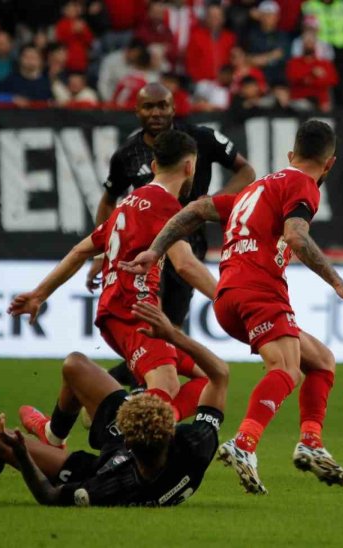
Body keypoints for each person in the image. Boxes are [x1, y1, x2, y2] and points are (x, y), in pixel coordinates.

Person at [121, 120, 343, 494]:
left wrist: (155, 250)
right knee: (287, 369)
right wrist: (340, 284)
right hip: (259, 290)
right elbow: (295, 236)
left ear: (291, 155)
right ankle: (244, 444)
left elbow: (193, 211)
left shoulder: (257, 187)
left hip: (227, 297)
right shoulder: (302, 184)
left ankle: (311, 443)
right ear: (330, 164)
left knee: (320, 361)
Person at [0, 302, 229, 507]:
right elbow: (219, 375)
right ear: (170, 430)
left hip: (97, 464)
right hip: (134, 449)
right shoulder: (195, 444)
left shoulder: (109, 487)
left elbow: (48, 496)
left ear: (127, 436)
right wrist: (172, 334)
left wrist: (21, 454)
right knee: (75, 366)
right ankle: (53, 435)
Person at [9, 130, 216, 424]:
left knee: (210, 376)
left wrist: (40, 294)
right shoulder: (166, 206)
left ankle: (55, 433)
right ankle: (117, 422)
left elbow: (81, 250)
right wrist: (226, 297)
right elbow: (185, 265)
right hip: (134, 312)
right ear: (189, 167)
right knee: (168, 385)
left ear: (155, 166)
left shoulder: (129, 202)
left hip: (120, 309)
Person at [87, 83, 256, 386]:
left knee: (169, 333)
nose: (156, 113)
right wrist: (102, 252)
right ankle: (141, 406)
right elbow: (108, 201)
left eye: (162, 105)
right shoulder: (127, 153)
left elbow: (246, 172)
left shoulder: (200, 138)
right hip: (145, 252)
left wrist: (211, 202)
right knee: (152, 332)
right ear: (137, 111)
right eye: (148, 107)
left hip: (190, 243)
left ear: (173, 108)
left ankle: (108, 390)